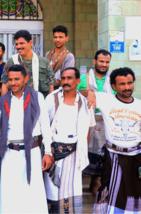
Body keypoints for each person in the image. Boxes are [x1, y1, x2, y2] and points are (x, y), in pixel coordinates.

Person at [0, 64, 53, 213]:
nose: (13, 83)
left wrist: (48, 152)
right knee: (9, 194)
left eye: (17, 79)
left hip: (32, 152)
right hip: (9, 153)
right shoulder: (4, 100)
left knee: (32, 193)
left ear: (26, 79)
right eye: (10, 79)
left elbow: (45, 125)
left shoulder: (37, 97)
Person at [44, 67, 95, 213]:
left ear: (78, 81)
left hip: (74, 154)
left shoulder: (85, 102)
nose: (65, 81)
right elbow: (44, 127)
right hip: (54, 153)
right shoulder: (52, 99)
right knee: (52, 192)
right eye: (64, 78)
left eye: (69, 78)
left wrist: (84, 154)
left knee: (71, 192)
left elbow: (88, 130)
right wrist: (47, 152)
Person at [92, 67, 141, 213]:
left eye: (129, 83)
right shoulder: (105, 99)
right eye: (122, 84)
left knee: (135, 194)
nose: (127, 87)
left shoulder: (139, 105)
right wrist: (89, 94)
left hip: (136, 157)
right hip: (113, 157)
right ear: (113, 86)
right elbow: (84, 93)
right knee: (111, 194)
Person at [77, 49, 114, 195]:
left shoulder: (112, 79)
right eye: (101, 61)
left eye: (107, 62)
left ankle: (95, 181)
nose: (104, 64)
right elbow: (76, 93)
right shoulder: (84, 78)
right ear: (95, 62)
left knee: (100, 151)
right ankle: (76, 183)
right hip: (86, 118)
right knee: (85, 149)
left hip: (106, 119)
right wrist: (89, 92)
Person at [1, 30, 55, 98]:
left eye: (21, 43)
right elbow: (5, 86)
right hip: (17, 103)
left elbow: (50, 86)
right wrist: (3, 105)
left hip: (39, 104)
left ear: (30, 43)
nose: (18, 47)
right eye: (16, 44)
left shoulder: (44, 62)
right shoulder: (11, 62)